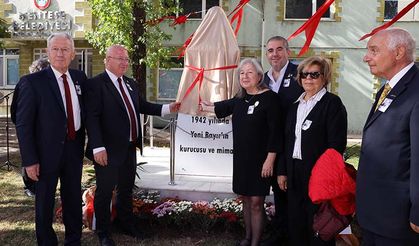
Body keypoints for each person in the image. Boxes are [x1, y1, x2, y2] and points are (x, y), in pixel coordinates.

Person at [84, 44, 180, 246]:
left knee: (126, 189)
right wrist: (97, 147)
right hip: (107, 150)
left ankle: (126, 223)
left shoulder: (130, 83)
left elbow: (142, 106)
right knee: (105, 191)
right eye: (120, 58)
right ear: (107, 60)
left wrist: (168, 108)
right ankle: (103, 232)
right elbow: (91, 118)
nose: (124, 63)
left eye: (126, 59)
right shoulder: (96, 84)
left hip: (129, 147)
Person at [15, 33, 87, 245]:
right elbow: (23, 124)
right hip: (44, 154)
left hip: (73, 150)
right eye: (55, 49)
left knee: (73, 199)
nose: (60, 53)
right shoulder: (31, 82)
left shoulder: (79, 78)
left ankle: (73, 240)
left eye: (65, 49)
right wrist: (29, 160)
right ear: (47, 52)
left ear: (73, 54)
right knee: (45, 203)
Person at [201, 58, 281, 246]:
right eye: (242, 73)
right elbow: (215, 107)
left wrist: (270, 160)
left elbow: (276, 133)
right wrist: (202, 104)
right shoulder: (240, 99)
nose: (244, 76)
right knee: (245, 199)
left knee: (256, 202)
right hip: (242, 160)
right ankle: (247, 238)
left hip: (262, 161)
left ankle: (255, 242)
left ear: (260, 76)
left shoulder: (270, 98)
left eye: (249, 72)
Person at [356, 28, 419, 245]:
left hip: (399, 219)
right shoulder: (389, 88)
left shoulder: (416, 90)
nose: (366, 57)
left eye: (373, 50)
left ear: (399, 52)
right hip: (376, 214)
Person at [278, 56, 347, 246]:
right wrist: (283, 171)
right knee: (297, 223)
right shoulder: (295, 106)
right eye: (304, 74)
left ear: (324, 77)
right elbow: (286, 141)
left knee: (319, 225)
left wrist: (324, 176)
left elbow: (336, 145)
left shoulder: (332, 104)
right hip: (294, 173)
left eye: (314, 74)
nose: (308, 78)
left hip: (319, 175)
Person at [262, 36, 304, 245]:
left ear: (288, 51)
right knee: (278, 192)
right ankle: (281, 233)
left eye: (279, 49)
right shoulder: (263, 79)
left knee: (291, 192)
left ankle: (294, 235)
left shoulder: (300, 75)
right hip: (271, 145)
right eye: (270, 50)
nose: (275, 54)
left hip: (294, 144)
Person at [12, 57, 50, 197]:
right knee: (29, 157)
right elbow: (16, 108)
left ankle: (38, 186)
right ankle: (30, 186)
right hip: (29, 130)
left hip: (44, 133)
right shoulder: (27, 83)